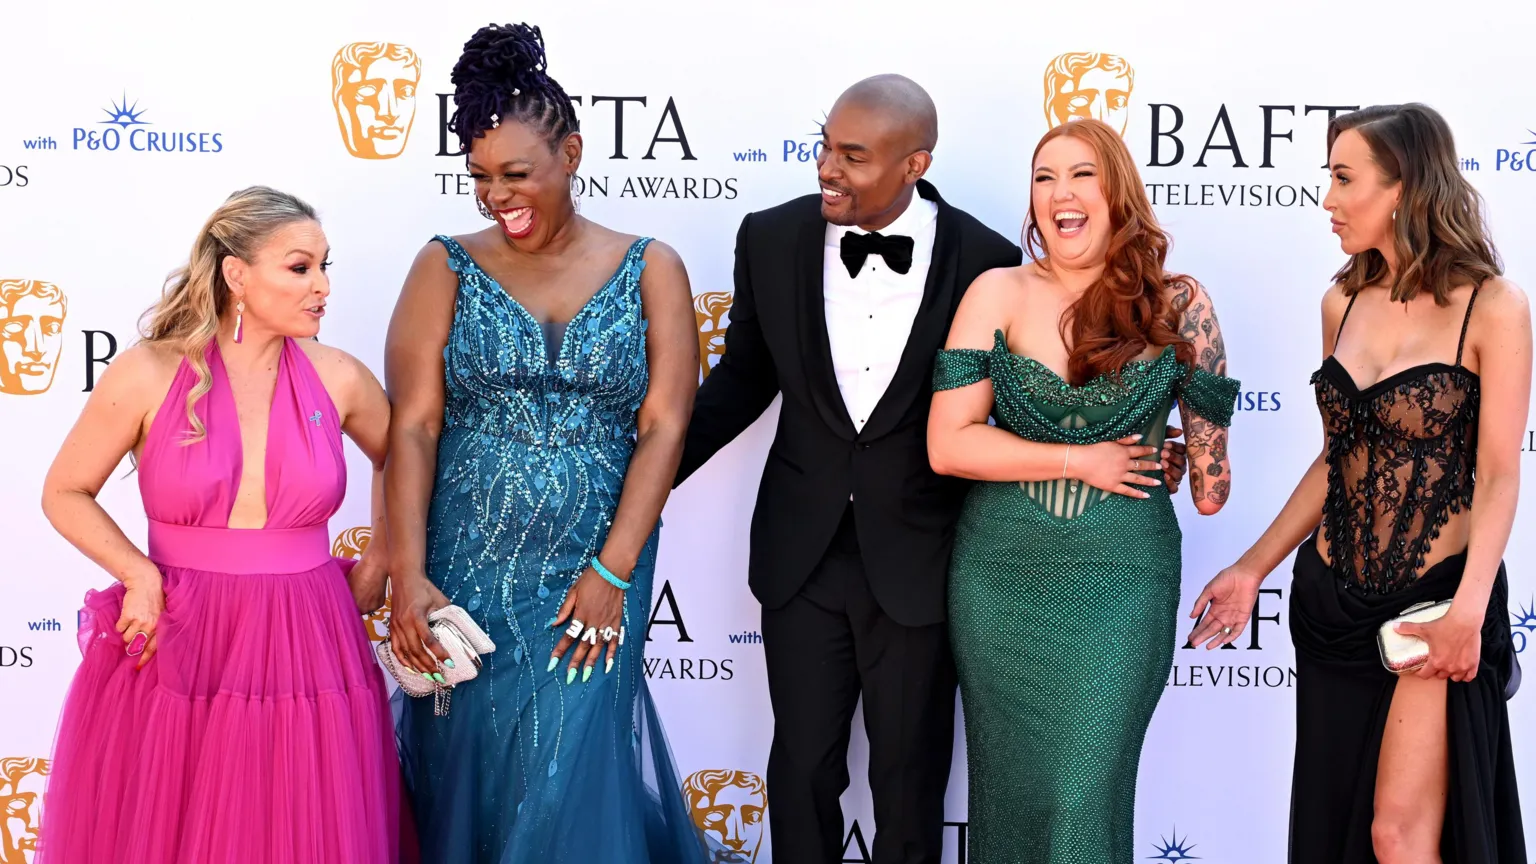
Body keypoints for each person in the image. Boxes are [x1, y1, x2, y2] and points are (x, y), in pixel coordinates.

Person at [675, 79, 1190, 864]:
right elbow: (741, 382)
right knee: (802, 768)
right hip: (799, 550)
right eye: (825, 147)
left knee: (911, 783)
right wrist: (645, 479)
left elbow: (1029, 402)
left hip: (926, 554)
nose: (828, 168)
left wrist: (1151, 443)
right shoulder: (771, 237)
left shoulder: (983, 258)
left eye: (853, 156)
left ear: (914, 164)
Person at [383, 23, 709, 863]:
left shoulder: (652, 267)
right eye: (481, 177)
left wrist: (614, 572)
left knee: (571, 771)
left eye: (517, 174)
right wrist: (409, 574)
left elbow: (666, 425)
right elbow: (413, 427)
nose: (497, 196)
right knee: (474, 769)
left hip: (596, 564)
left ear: (571, 152)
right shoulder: (443, 266)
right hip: (467, 565)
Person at [1189, 103, 1527, 863]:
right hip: (1329, 603)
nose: (1328, 199)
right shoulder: (1340, 302)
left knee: (1397, 837)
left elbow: (1502, 473)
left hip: (1433, 603)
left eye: (1345, 178)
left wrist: (1470, 611)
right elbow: (1335, 461)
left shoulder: (1493, 306)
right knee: (1335, 828)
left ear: (1402, 186)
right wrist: (1251, 569)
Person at [36, 186, 404, 863]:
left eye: (325, 267)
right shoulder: (148, 372)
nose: (323, 287)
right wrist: (138, 574)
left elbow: (405, 461)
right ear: (237, 274)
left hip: (308, 633)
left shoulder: (340, 377)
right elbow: (65, 491)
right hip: (181, 632)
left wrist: (382, 557)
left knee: (298, 827)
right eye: (300, 268)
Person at [927, 117, 1237, 863]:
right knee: (1014, 794)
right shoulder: (996, 291)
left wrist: (1189, 442)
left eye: (1081, 175)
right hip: (1000, 580)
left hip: (1122, 580)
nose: (1059, 193)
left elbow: (1211, 490)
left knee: (1082, 795)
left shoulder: (1180, 303)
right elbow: (948, 445)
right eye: (1044, 178)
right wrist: (1081, 460)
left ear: (1118, 192)